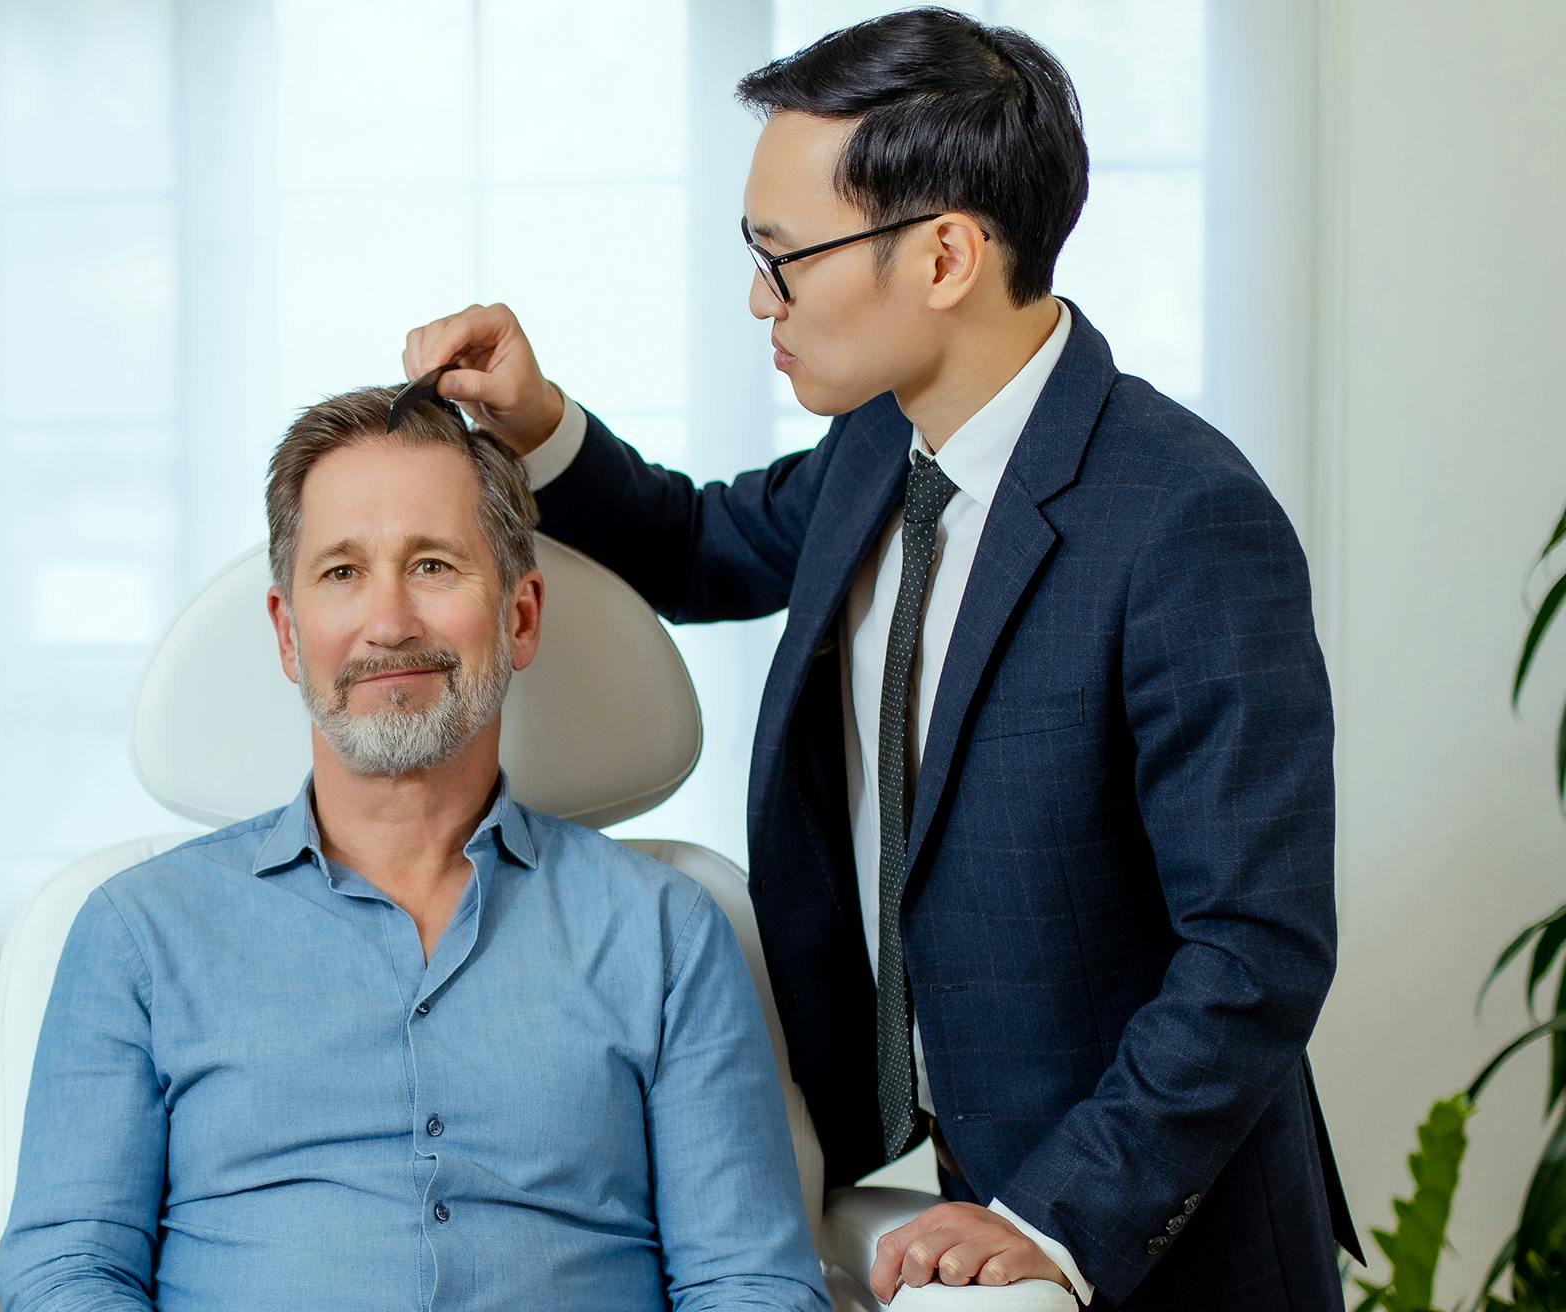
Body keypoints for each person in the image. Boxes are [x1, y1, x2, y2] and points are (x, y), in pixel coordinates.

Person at [400, 8, 1361, 1310]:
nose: (758, 297)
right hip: (924, 1194)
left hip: (1139, 1250)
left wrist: (1060, 1220)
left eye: (782, 257)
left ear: (948, 255)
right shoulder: (877, 447)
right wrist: (540, 422)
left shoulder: (1185, 519)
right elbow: (696, 544)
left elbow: (1256, 947)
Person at [0, 386, 829, 1312]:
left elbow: (748, 1283)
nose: (387, 622)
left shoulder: (668, 932)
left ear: (519, 618)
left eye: (432, 566)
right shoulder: (136, 933)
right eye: (342, 573)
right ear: (286, 631)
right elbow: (66, 1274)